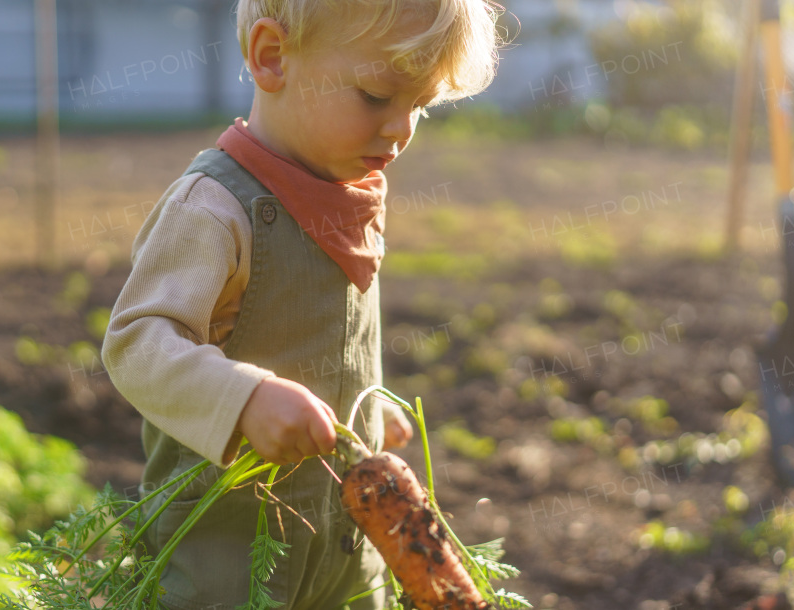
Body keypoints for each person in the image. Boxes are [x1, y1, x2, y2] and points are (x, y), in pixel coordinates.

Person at [101, 0, 501, 607]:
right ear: (271, 58)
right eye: (375, 96)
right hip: (231, 553)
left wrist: (362, 417)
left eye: (418, 106)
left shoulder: (345, 194)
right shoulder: (213, 208)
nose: (400, 128)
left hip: (350, 542)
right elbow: (136, 343)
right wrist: (243, 400)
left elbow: (331, 331)